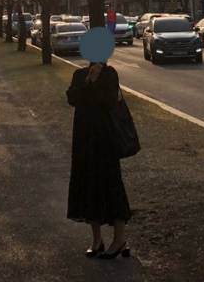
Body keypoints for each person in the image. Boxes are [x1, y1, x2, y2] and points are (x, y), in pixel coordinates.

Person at [66, 49, 131, 259]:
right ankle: (96, 239)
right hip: (84, 137)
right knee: (87, 185)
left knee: (111, 184)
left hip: (106, 138)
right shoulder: (79, 75)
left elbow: (109, 101)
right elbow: (72, 98)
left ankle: (120, 238)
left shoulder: (111, 74)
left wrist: (95, 83)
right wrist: (88, 81)